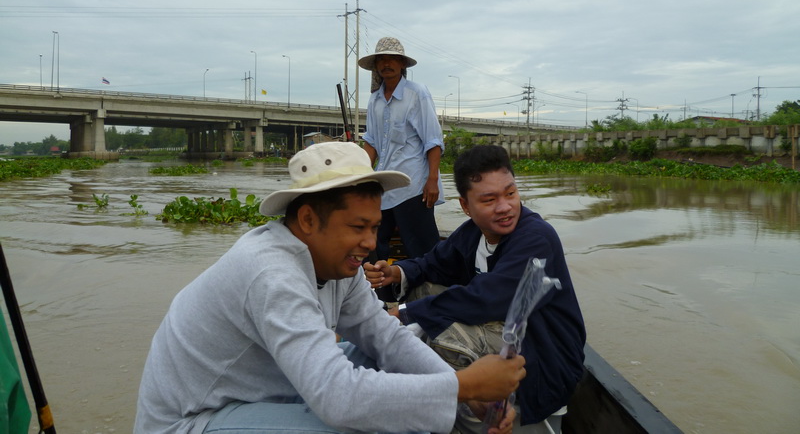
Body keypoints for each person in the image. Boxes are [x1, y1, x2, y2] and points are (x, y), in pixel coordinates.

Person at [134, 141, 525, 434]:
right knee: (353, 421)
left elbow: (383, 336)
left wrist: (464, 392)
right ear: (307, 219)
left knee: (387, 358)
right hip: (191, 421)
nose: (371, 244)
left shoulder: (341, 265)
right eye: (358, 228)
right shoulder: (271, 273)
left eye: (374, 227)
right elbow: (338, 400)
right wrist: (460, 385)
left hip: (266, 393)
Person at [364, 145, 586, 433]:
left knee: (446, 338)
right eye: (489, 199)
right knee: (424, 288)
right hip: (503, 336)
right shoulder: (472, 234)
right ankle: (451, 397)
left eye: (510, 193)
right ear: (466, 206)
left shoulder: (536, 238)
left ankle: (469, 417)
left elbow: (486, 299)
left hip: (543, 358)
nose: (505, 207)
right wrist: (396, 272)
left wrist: (403, 314)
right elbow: (434, 263)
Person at [359, 37, 444, 263]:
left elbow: (433, 140)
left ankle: (427, 294)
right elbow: (371, 143)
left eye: (392, 59)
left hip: (413, 185)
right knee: (373, 244)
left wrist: (432, 179)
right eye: (382, 59)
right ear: (376, 65)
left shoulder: (417, 93)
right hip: (385, 186)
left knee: (423, 248)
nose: (387, 63)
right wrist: (359, 176)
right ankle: (382, 295)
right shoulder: (374, 100)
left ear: (402, 64)